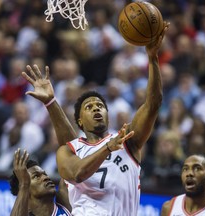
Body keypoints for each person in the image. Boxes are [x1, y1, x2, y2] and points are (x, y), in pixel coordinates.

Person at [21, 22, 170, 215]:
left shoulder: (127, 142)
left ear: (108, 115)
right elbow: (76, 174)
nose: (96, 108)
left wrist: (152, 58)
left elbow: (153, 104)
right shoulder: (69, 151)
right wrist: (51, 102)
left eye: (100, 105)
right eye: (89, 107)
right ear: (80, 121)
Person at [9, 148, 71, 216]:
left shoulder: (64, 201)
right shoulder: (24, 186)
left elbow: (70, 154)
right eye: (36, 176)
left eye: (45, 174)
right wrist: (24, 184)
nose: (46, 177)